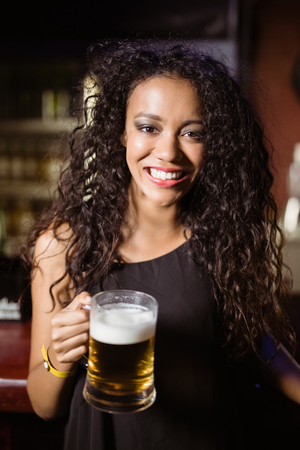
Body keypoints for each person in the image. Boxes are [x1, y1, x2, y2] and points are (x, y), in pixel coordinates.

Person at [22, 38, 300, 450]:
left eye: (192, 133)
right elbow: (44, 406)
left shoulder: (224, 239)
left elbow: (258, 342)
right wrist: (57, 358)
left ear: (213, 144)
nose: (168, 152)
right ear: (120, 132)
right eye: (148, 127)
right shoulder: (62, 246)